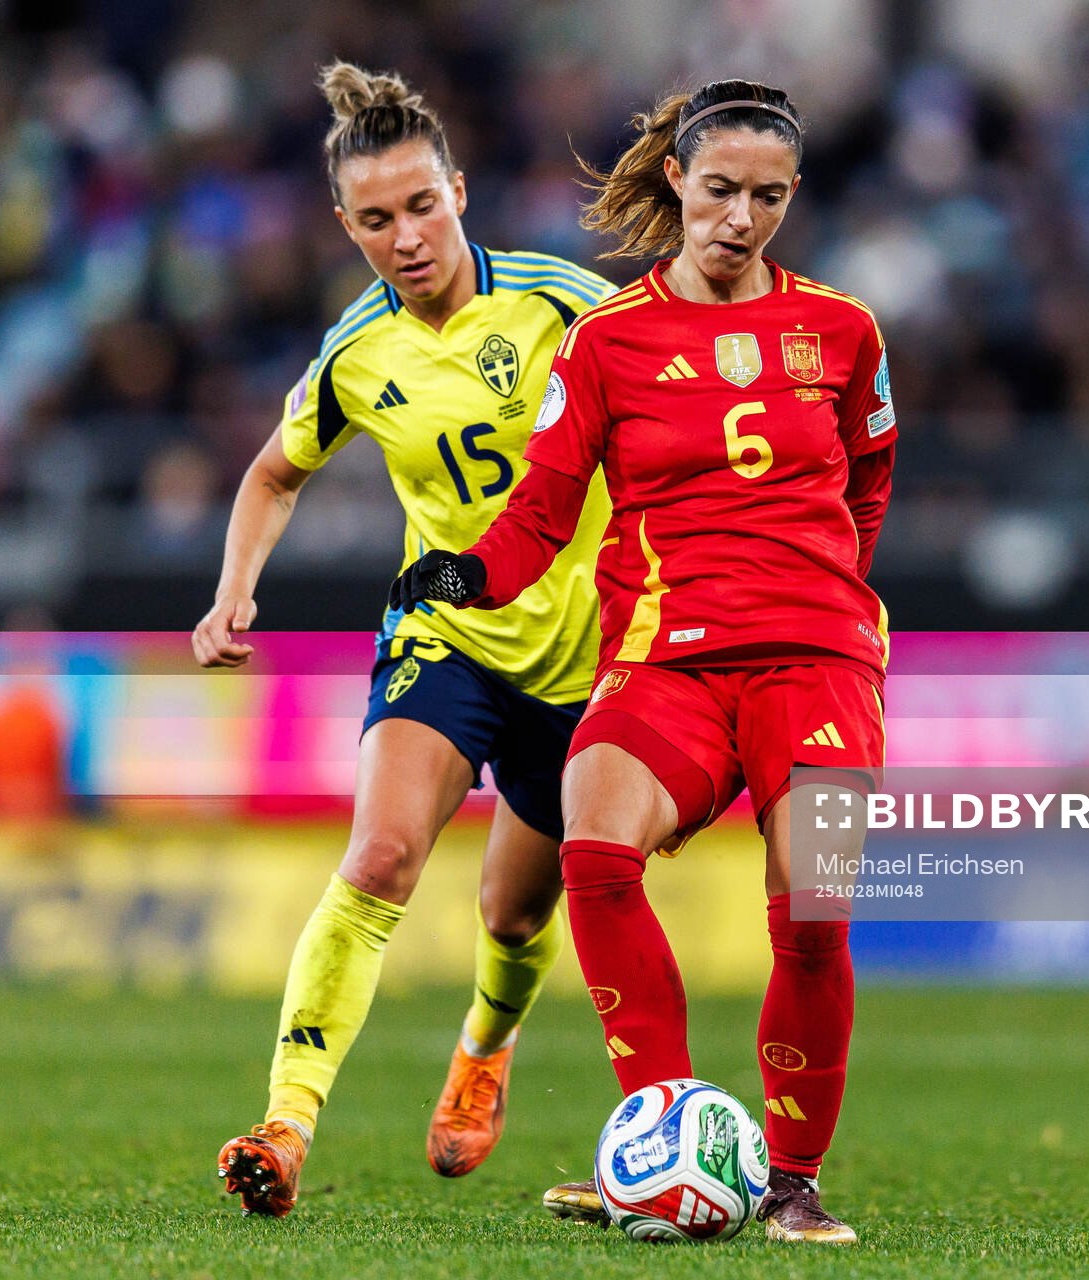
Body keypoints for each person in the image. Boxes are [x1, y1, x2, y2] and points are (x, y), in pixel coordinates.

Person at [389, 78, 896, 1246]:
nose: (742, 217)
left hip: (817, 662)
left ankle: (793, 1180)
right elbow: (541, 511)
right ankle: (658, 1139)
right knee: (596, 839)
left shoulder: (844, 329)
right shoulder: (609, 338)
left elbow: (869, 481)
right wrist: (467, 572)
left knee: (812, 912)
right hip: (668, 655)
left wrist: (833, 598)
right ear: (677, 179)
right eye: (720, 190)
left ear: (793, 195)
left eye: (769, 196)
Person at [195, 61, 614, 1219]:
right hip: (446, 633)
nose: (405, 237)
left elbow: (664, 425)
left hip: (579, 650)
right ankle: (284, 1122)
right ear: (347, 225)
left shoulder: (565, 306)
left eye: (421, 205)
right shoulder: (358, 351)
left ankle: (486, 1041)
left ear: (460, 191)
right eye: (375, 219)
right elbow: (274, 472)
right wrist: (235, 588)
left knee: (515, 913)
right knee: (379, 858)